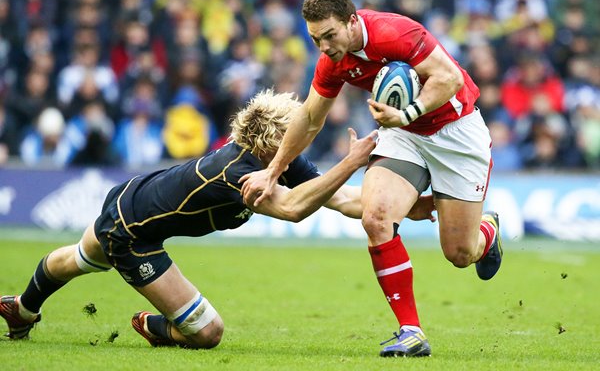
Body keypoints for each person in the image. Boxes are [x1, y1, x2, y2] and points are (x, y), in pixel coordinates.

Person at [0, 90, 435, 348]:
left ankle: (21, 308)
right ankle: (155, 325)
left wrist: (412, 205)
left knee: (77, 259)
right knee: (209, 333)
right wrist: (351, 161)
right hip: (133, 233)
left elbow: (340, 200)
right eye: (294, 132)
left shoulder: (280, 161)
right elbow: (294, 209)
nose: (303, 137)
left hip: (131, 198)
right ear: (271, 141)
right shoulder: (239, 172)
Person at [240, 0, 503, 358]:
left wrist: (406, 113)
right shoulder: (332, 60)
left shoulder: (395, 33)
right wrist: (273, 170)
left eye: (330, 36)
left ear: (352, 21)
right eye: (315, 39)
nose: (324, 46)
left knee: (460, 253)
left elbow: (449, 79)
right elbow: (311, 118)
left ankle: (487, 232)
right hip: (403, 136)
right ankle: (411, 332)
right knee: (376, 217)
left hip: (455, 133)